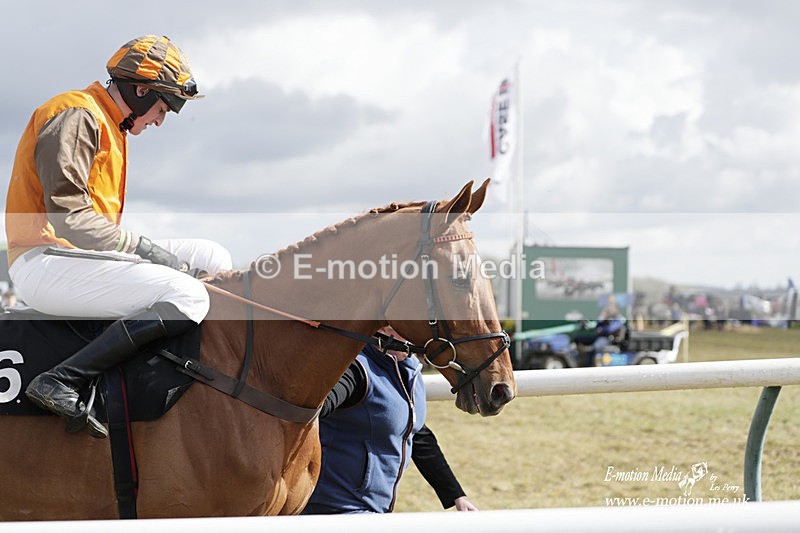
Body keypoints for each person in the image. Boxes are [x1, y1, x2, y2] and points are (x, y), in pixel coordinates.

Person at [4, 35, 232, 439]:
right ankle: (64, 380)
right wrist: (147, 252)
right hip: (46, 262)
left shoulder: (108, 122)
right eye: (163, 108)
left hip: (76, 259)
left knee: (210, 255)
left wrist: (150, 255)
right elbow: (69, 219)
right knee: (191, 295)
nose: (161, 120)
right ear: (141, 90)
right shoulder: (76, 114)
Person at [302, 327, 477, 514]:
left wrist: (456, 495)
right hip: (333, 508)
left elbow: (417, 435)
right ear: (383, 328)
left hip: (377, 510)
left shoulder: (410, 372)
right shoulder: (355, 369)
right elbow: (310, 411)